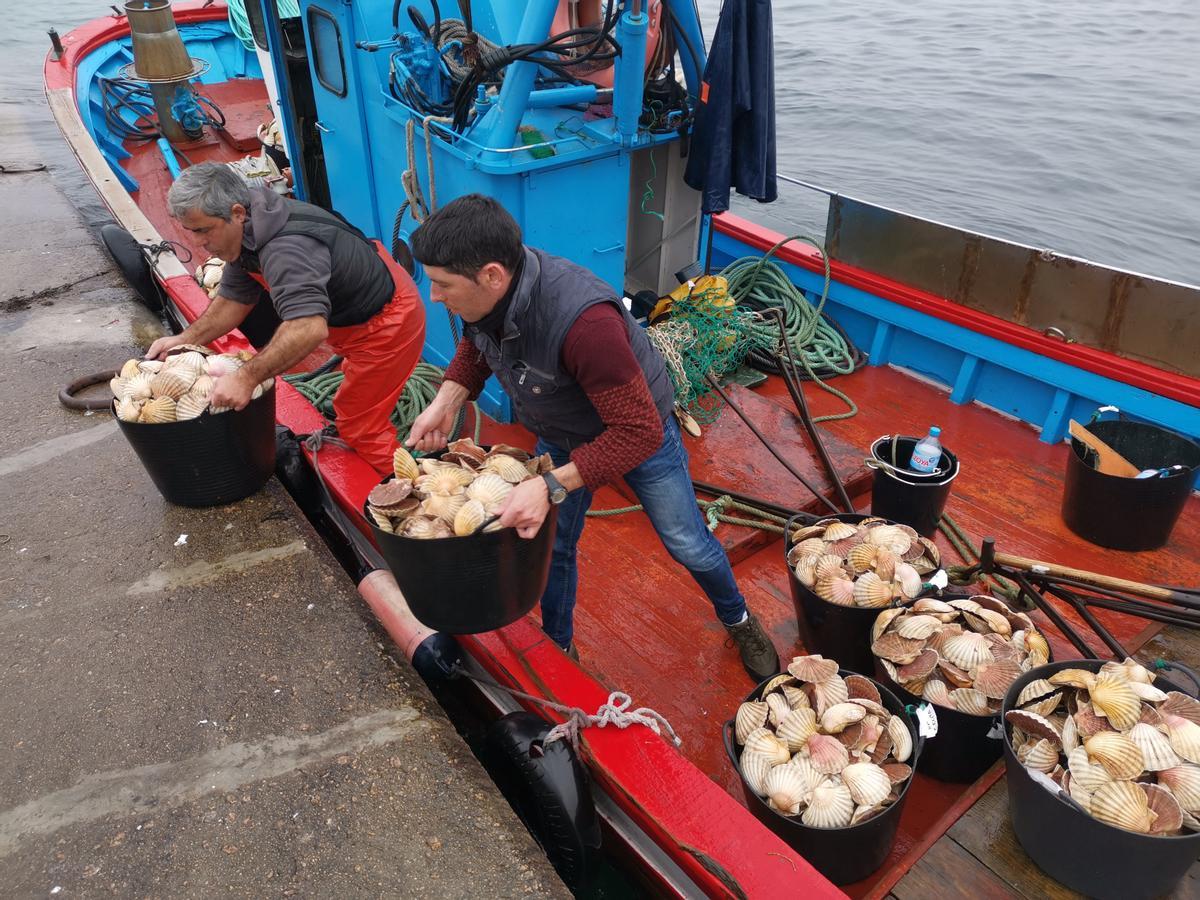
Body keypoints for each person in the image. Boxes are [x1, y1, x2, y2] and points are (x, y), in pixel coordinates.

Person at [405, 194, 780, 681]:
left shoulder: (585, 324)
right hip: (562, 432)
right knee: (554, 544)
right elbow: (479, 343)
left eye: (441, 285)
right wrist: (445, 402)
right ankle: (559, 645)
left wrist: (549, 485)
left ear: (492, 275)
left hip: (634, 433)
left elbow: (638, 432)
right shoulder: (494, 294)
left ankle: (740, 618)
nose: (434, 296)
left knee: (686, 541)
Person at [146, 162, 426, 475]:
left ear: (237, 213)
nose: (197, 242)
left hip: (387, 323)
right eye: (190, 231)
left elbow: (308, 327)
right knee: (354, 397)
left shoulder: (285, 250)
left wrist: (245, 377)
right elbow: (233, 301)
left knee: (359, 423)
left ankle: (415, 495)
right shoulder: (247, 226)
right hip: (350, 313)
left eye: (203, 230)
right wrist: (185, 339)